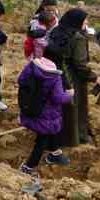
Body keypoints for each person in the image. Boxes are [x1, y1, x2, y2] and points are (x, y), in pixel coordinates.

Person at [46, 8, 100, 148]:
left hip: (55, 75)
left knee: (59, 107)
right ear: (77, 21)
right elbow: (79, 65)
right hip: (72, 78)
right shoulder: (77, 38)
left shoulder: (57, 31)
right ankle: (74, 139)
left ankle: (55, 136)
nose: (87, 22)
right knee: (75, 109)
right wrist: (95, 78)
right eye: (85, 20)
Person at [16, 44, 71, 174]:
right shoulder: (54, 76)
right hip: (47, 114)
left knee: (50, 132)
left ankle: (55, 153)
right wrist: (69, 95)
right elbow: (58, 98)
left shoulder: (32, 66)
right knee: (42, 140)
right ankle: (28, 167)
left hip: (31, 108)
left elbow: (21, 81)